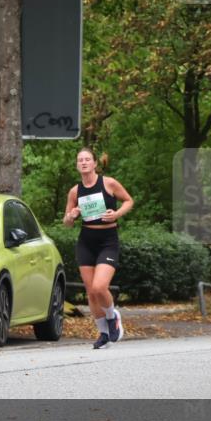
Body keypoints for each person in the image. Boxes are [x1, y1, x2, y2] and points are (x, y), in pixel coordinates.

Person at [63, 147, 133, 349]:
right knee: (90, 292)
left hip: (108, 240)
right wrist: (72, 215)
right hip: (86, 240)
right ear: (77, 165)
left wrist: (117, 214)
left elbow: (129, 200)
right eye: (80, 160)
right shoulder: (75, 191)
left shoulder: (108, 183)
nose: (83, 162)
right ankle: (103, 333)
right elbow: (66, 222)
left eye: (87, 159)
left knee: (99, 287)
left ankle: (113, 317)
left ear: (94, 163)